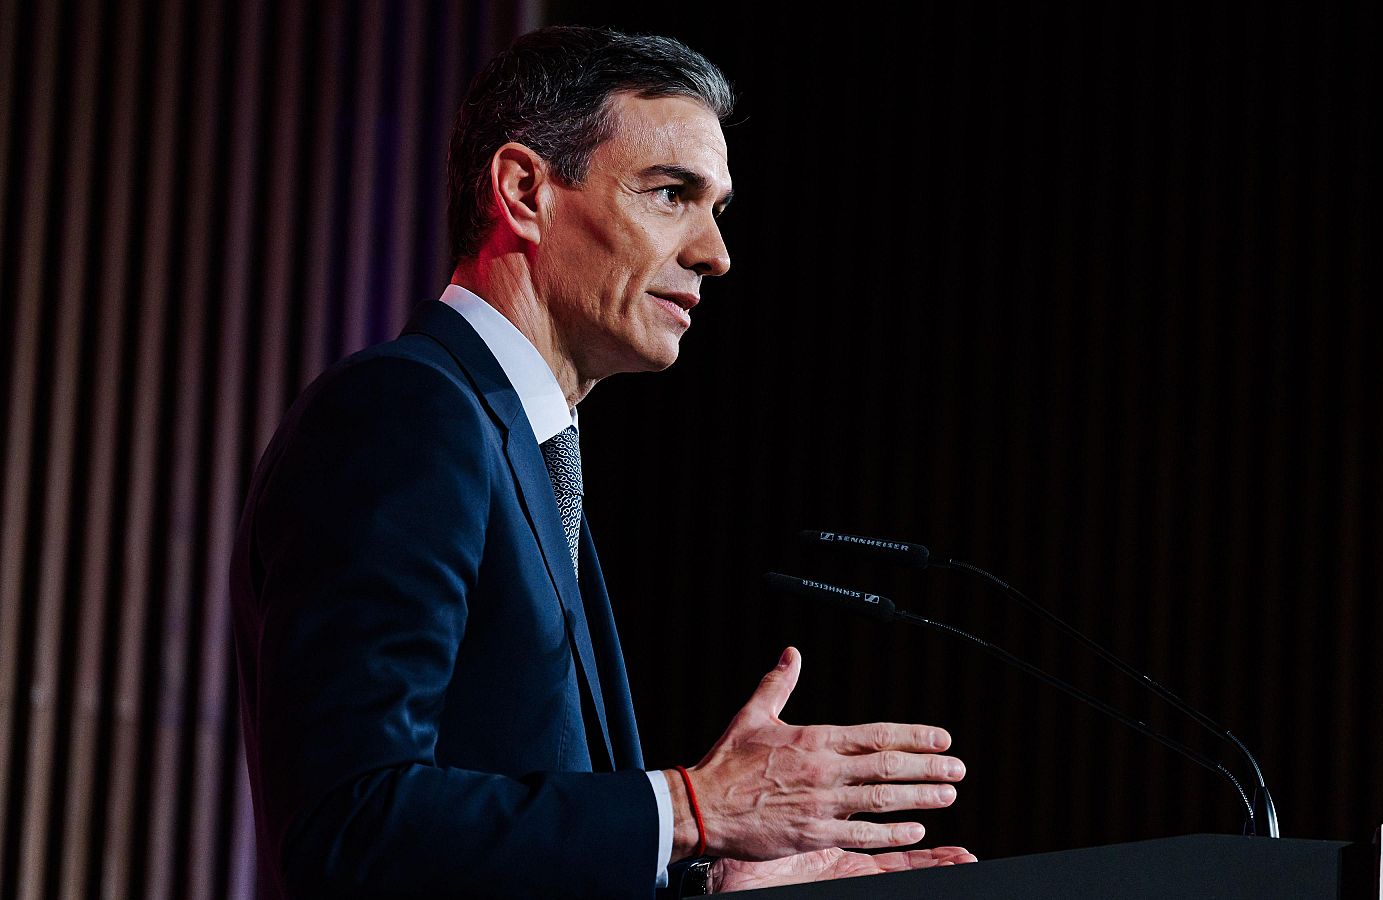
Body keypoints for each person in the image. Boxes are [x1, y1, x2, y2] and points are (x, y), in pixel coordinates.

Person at [230, 26, 974, 898]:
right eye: (669, 194)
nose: (714, 253)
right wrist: (691, 808)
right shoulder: (407, 413)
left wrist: (695, 878)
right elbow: (348, 824)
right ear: (523, 191)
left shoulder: (532, 452)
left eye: (716, 210)